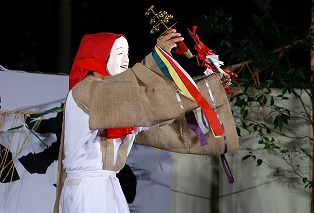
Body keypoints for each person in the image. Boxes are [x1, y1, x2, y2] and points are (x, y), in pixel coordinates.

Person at [54, 29, 239, 213]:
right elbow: (146, 103)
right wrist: (159, 58)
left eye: (127, 54)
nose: (126, 60)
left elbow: (159, 115)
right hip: (87, 190)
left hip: (107, 186)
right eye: (119, 54)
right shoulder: (85, 91)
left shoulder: (115, 97)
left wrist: (208, 89)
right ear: (99, 56)